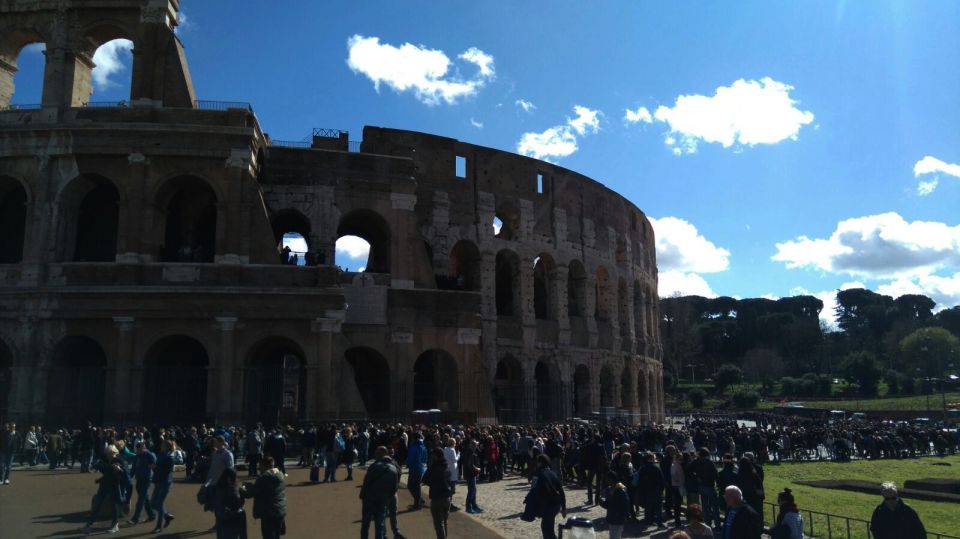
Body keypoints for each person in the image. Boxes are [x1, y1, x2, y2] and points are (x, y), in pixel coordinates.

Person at [80, 445, 130, 534]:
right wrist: (99, 479)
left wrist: (120, 470)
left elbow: (126, 476)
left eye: (110, 453)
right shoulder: (106, 460)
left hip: (115, 486)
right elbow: (107, 474)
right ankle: (89, 525)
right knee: (97, 505)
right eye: (107, 453)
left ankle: (115, 525)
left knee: (114, 506)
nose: (108, 455)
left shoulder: (120, 461)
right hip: (105, 486)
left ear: (114, 453)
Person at [241, 456, 286, 539]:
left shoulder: (263, 479)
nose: (259, 468)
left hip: (268, 513)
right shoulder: (280, 475)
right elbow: (266, 489)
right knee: (276, 536)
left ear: (265, 466)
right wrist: (252, 485)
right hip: (280, 511)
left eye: (260, 466)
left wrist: (241, 489)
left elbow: (249, 494)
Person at [523, 455, 567, 539]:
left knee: (547, 530)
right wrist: (564, 508)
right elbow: (561, 491)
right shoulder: (553, 473)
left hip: (548, 505)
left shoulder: (539, 474)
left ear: (540, 463)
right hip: (556, 505)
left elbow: (534, 491)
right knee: (548, 527)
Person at [360, 446, 399, 539]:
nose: (375, 455)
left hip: (369, 499)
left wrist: (362, 495)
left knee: (365, 524)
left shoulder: (374, 466)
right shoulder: (393, 469)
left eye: (377, 453)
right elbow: (394, 488)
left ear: (381, 454)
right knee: (380, 525)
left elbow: (366, 482)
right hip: (383, 500)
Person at [424, 448, 454, 539]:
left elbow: (425, 479)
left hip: (437, 498)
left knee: (438, 523)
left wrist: (429, 466)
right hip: (447, 497)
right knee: (444, 521)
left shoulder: (434, 468)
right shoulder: (446, 466)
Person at [151, 439, 176, 534]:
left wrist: (155, 468)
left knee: (159, 504)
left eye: (162, 444)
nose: (161, 446)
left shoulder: (170, 457)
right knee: (153, 503)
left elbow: (165, 472)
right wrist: (155, 468)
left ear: (166, 446)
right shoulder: (161, 454)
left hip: (165, 482)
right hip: (158, 481)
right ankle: (166, 515)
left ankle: (159, 526)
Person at [128, 441, 157, 524]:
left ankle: (135, 518)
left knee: (141, 499)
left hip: (147, 479)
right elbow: (133, 468)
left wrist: (151, 467)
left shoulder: (150, 455)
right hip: (139, 479)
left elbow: (154, 465)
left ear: (143, 448)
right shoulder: (137, 456)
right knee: (145, 498)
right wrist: (130, 477)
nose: (138, 451)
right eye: (137, 450)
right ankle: (152, 515)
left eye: (140, 449)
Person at [636, 451, 666, 529]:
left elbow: (640, 482)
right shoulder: (656, 468)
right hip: (656, 490)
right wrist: (661, 489)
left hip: (646, 491)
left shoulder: (642, 469)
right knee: (658, 508)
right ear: (651, 459)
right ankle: (659, 523)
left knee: (648, 507)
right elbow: (662, 480)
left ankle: (648, 522)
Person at [215, 469, 247, 539]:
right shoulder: (233, 489)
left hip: (224, 519)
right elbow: (238, 502)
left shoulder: (219, 489)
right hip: (232, 518)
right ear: (229, 478)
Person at [603, 472, 631, 539]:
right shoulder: (609, 490)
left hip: (618, 518)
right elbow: (607, 505)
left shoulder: (621, 491)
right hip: (611, 517)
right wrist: (601, 502)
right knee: (613, 536)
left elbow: (626, 505)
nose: (606, 481)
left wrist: (625, 515)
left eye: (608, 479)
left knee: (615, 536)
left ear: (612, 479)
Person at [406, 433, 427, 510]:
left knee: (412, 486)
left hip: (414, 469)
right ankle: (418, 501)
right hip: (421, 468)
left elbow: (411, 458)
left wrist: (409, 464)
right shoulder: (423, 446)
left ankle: (418, 503)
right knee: (416, 487)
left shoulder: (414, 446)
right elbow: (425, 458)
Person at [461, 438, 483, 513]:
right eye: (475, 444)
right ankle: (469, 507)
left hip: (471, 474)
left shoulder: (471, 452)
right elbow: (470, 465)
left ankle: (474, 505)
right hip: (470, 474)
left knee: (473, 490)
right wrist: (477, 469)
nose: (476, 445)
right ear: (472, 445)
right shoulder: (470, 453)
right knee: (471, 491)